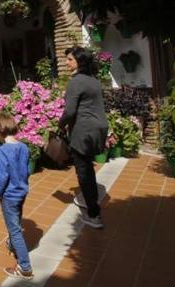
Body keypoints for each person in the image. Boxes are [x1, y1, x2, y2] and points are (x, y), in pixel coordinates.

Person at [60, 46, 110, 229]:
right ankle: (90, 200)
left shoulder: (77, 81)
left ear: (79, 62)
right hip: (98, 128)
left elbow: (70, 111)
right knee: (88, 166)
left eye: (70, 59)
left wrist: (59, 124)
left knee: (84, 172)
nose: (67, 62)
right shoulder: (93, 80)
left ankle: (94, 214)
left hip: (84, 130)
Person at [0, 113, 33, 279]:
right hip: (22, 192)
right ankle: (11, 244)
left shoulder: (2, 150)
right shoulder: (24, 147)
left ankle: (25, 267)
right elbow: (27, 170)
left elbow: (3, 177)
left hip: (9, 195)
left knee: (15, 230)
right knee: (16, 220)